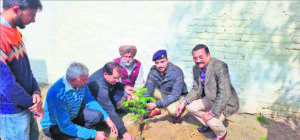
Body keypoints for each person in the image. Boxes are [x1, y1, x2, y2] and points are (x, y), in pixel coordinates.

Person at [0, 0, 44, 139]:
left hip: (26, 105)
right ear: (16, 9)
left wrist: (36, 91)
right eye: (31, 15)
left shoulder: (13, 31)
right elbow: (7, 86)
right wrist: (34, 105)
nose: (34, 20)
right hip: (12, 112)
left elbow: (26, 67)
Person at [176, 44, 239, 140]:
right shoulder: (195, 68)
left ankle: (221, 134)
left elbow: (224, 92)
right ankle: (210, 125)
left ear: (208, 55)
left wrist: (212, 113)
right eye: (195, 58)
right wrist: (183, 102)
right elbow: (196, 89)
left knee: (211, 120)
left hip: (226, 102)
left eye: (201, 57)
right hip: (210, 98)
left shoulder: (220, 66)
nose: (198, 60)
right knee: (190, 107)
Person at [41, 62, 118, 140]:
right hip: (55, 125)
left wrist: (107, 118)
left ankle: (82, 133)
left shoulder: (81, 84)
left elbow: (90, 101)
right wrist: (94, 134)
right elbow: (65, 126)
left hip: (71, 117)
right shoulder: (57, 94)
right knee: (79, 138)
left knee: (96, 116)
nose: (87, 81)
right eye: (84, 79)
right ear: (73, 80)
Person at [88, 62, 135, 140]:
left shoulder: (107, 71)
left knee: (119, 92)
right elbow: (109, 110)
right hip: (91, 103)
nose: (118, 81)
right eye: (115, 78)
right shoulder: (101, 88)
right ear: (106, 74)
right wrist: (125, 133)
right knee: (100, 115)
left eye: (119, 78)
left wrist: (124, 87)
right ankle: (99, 126)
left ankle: (116, 113)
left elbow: (115, 82)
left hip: (102, 94)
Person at [143, 50, 188, 123]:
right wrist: (143, 104)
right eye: (157, 63)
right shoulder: (153, 71)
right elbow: (148, 88)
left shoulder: (177, 72)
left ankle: (181, 108)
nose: (160, 65)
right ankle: (156, 110)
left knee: (173, 111)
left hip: (177, 96)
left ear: (167, 60)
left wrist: (156, 104)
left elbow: (174, 95)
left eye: (162, 62)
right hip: (163, 92)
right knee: (143, 88)